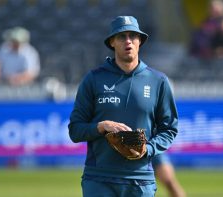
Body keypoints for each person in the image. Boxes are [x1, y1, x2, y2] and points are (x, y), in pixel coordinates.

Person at [68, 16, 178, 197]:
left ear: (140, 41)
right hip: (99, 179)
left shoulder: (158, 81)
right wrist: (101, 126)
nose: (128, 41)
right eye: (121, 36)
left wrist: (147, 149)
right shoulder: (94, 79)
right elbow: (75, 130)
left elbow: (169, 129)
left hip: (140, 179)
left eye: (133, 36)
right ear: (112, 42)